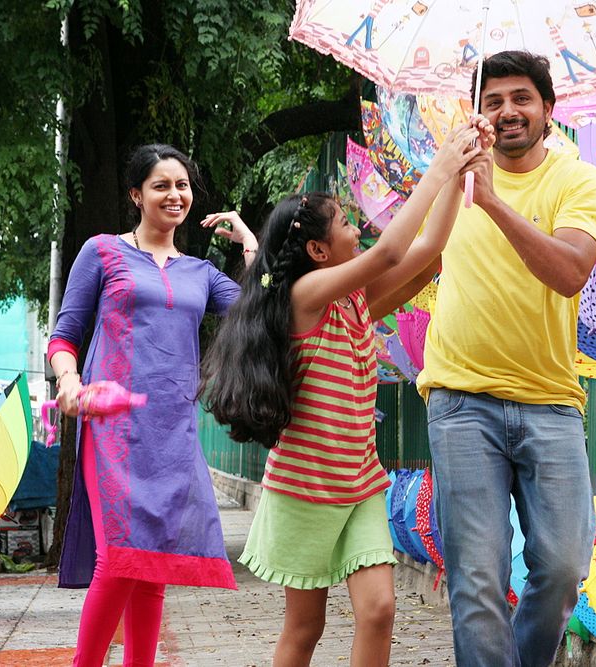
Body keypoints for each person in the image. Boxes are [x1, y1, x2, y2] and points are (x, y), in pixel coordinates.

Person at [200, 120, 491, 667]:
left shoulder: (353, 303)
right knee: (305, 628)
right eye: (345, 223)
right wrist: (440, 164)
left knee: (379, 611)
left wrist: (460, 174)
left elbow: (429, 249)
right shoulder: (305, 296)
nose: (358, 229)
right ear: (317, 249)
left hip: (360, 485)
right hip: (305, 489)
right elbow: (390, 254)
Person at [417, 50, 596, 667]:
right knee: (477, 576)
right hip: (459, 399)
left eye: (521, 98)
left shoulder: (577, 182)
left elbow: (569, 271)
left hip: (550, 402)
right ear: (478, 113)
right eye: (493, 100)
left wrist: (493, 201)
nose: (507, 111)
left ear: (548, 109)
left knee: (562, 568)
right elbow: (410, 259)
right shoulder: (450, 180)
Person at [48, 143, 257, 667]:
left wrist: (251, 245)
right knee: (118, 560)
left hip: (173, 430)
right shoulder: (101, 251)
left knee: (153, 567)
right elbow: (65, 334)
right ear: (136, 195)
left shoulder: (201, 273)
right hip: (113, 428)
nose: (174, 195)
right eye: (161, 185)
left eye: (182, 185)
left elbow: (261, 312)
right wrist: (68, 380)